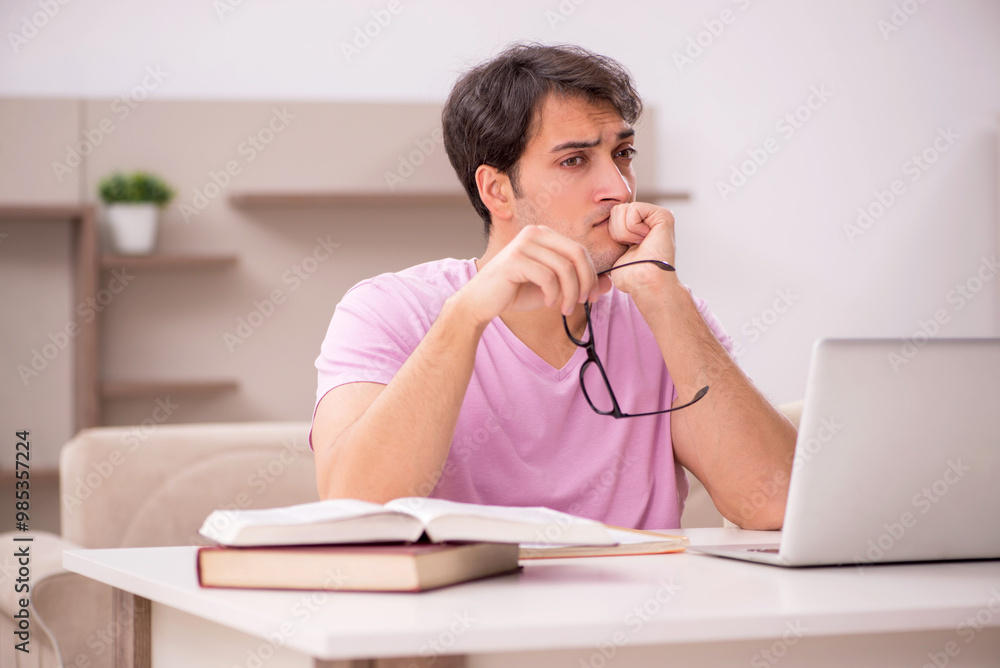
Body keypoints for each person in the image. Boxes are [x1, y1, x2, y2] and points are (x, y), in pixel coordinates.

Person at [311, 43, 797, 530]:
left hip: (644, 604)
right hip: (466, 605)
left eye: (622, 154)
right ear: (497, 190)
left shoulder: (665, 312)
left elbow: (774, 504)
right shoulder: (387, 310)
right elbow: (354, 508)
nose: (619, 188)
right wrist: (466, 317)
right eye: (574, 161)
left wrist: (662, 295)